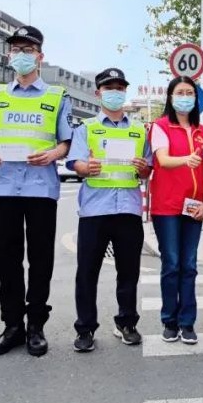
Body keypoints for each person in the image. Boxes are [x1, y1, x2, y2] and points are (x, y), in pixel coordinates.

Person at [0, 26, 73, 359]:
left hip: (40, 189)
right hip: (3, 187)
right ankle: (12, 326)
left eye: (28, 50)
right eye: (16, 49)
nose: (21, 55)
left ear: (40, 56)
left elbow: (65, 143)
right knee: (8, 261)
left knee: (40, 260)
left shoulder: (57, 96)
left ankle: (36, 326)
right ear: (8, 55)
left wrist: (52, 155)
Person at [66, 68, 152, 352]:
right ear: (98, 93)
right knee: (87, 272)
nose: (114, 92)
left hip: (128, 210)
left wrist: (144, 168)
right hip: (94, 210)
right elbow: (75, 162)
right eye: (108, 87)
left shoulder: (139, 130)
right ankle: (85, 329)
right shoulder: (86, 128)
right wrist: (83, 167)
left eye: (119, 87)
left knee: (129, 271)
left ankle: (127, 323)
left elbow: (147, 169)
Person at [149, 76, 203, 344]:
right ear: (171, 97)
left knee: (189, 265)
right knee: (171, 264)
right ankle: (169, 321)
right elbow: (162, 159)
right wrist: (187, 159)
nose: (185, 97)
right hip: (167, 206)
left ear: (196, 98)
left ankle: (187, 322)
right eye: (179, 92)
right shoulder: (161, 126)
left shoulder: (202, 130)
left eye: (190, 92)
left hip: (194, 205)